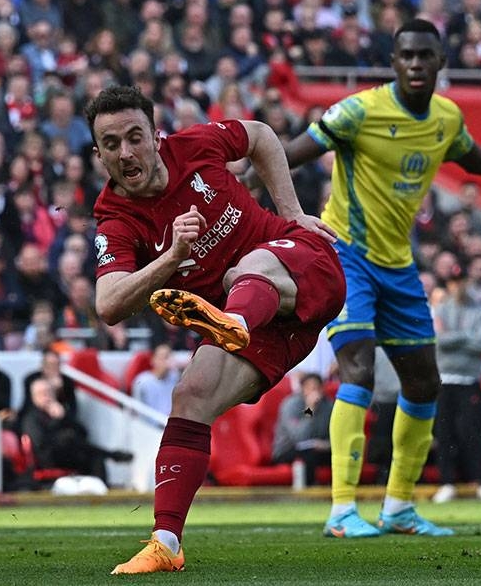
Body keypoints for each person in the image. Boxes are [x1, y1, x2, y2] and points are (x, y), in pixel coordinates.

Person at [87, 85, 345, 574]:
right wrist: (170, 259)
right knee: (191, 395)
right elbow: (109, 303)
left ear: (156, 136)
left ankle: (236, 318)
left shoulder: (196, 146)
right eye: (112, 144)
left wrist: (290, 211)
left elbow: (261, 136)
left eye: (134, 137)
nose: (126, 152)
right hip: (264, 333)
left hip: (301, 266)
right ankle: (165, 543)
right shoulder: (116, 219)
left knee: (244, 269)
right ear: (98, 154)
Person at [277, 19, 481, 537]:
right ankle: (340, 511)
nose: (417, 65)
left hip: (398, 264)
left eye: (426, 56)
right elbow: (288, 153)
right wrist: (237, 177)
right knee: (358, 369)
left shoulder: (445, 118)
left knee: (424, 381)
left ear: (440, 63)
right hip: (345, 255)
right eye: (407, 56)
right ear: (394, 63)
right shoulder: (360, 110)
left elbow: (478, 159)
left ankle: (398, 506)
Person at [430, 265, 481, 504]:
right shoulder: (441, 309)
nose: (458, 286)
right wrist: (465, 335)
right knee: (445, 433)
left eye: (461, 281)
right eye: (453, 281)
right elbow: (440, 340)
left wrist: (455, 336)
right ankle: (446, 483)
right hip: (445, 379)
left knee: (475, 433)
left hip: (469, 379)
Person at [271, 373, 333, 486]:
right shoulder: (291, 404)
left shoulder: (328, 406)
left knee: (336, 455)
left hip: (318, 448)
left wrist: (326, 445)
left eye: (317, 388)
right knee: (309, 455)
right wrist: (310, 409)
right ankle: (309, 493)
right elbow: (300, 437)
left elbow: (331, 434)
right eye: (310, 388)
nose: (315, 392)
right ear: (303, 388)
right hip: (287, 449)